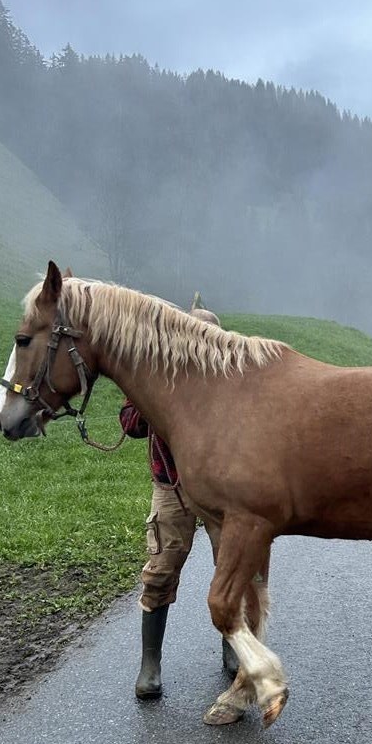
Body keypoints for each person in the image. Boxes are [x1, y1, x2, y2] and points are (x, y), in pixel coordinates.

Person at [119, 298, 239, 699]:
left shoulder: (229, 379)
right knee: (161, 569)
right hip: (170, 488)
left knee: (233, 568)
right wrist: (159, 404)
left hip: (222, 489)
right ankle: (149, 664)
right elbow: (129, 423)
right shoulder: (156, 374)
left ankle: (233, 647)